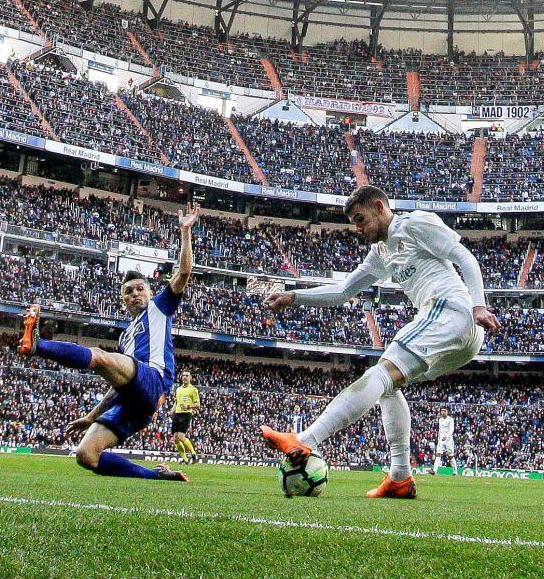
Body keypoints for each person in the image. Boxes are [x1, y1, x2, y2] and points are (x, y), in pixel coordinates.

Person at [259, 185, 500, 499]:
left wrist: (478, 305)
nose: (358, 228)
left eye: (360, 219)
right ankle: (400, 477)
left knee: (379, 375)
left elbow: (464, 258)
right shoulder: (381, 252)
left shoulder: (414, 224)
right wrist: (294, 296)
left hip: (451, 310)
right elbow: (344, 290)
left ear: (379, 206)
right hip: (459, 335)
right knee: (389, 386)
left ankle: (305, 440)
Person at [17, 204, 201, 482]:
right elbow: (118, 383)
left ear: (150, 293)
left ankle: (38, 345)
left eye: (141, 289)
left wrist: (185, 231)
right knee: (86, 455)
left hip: (154, 380)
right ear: (123, 300)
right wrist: (91, 415)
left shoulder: (159, 308)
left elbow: (184, 273)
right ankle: (157, 476)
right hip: (134, 401)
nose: (136, 294)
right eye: (129, 292)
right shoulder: (125, 336)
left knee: (100, 357)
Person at [171, 370, 200, 463]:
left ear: (190, 377)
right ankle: (185, 459)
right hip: (177, 414)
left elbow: (198, 404)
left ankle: (193, 453)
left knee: (181, 437)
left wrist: (188, 406)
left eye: (187, 375)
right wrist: (172, 410)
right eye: (183, 375)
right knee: (175, 439)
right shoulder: (178, 389)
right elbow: (177, 401)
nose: (185, 377)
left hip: (186, 414)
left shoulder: (193, 389)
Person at [431, 406, 457, 475]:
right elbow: (440, 430)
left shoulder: (450, 419)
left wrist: (446, 436)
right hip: (441, 440)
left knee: (450, 456)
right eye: (442, 411)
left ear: (447, 412)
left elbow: (451, 429)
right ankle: (435, 471)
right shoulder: (440, 420)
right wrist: (439, 438)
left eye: (445, 411)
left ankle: (455, 472)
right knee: (438, 454)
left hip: (448, 440)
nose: (443, 412)